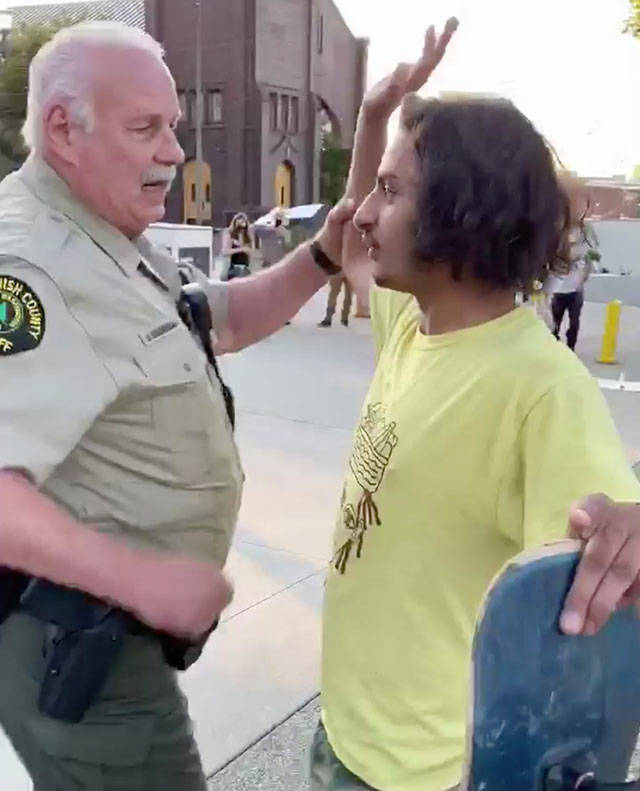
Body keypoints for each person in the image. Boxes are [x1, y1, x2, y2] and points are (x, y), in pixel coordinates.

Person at [0, 21, 353, 790]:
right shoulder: (29, 265)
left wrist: (323, 255)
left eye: (175, 126)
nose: (174, 151)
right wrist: (143, 581)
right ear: (63, 129)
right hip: (80, 649)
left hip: (111, 641)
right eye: (146, 128)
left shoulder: (101, 233)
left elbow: (215, 316)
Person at [311, 19, 640, 791]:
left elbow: (606, 584)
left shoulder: (541, 389)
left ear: (461, 213)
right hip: (344, 735)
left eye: (392, 192)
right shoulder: (413, 324)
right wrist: (372, 116)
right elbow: (354, 236)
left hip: (419, 774)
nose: (366, 214)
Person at [548, 186, 596, 351]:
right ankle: (553, 348)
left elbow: (591, 255)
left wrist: (586, 272)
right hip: (559, 289)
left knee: (574, 322)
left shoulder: (585, 230)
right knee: (555, 323)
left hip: (576, 289)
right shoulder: (558, 231)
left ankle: (571, 349)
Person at [221, 211, 253, 280]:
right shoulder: (230, 234)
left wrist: (245, 249)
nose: (242, 230)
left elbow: (250, 252)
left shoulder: (246, 236)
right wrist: (240, 249)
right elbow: (225, 251)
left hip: (245, 268)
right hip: (233, 267)